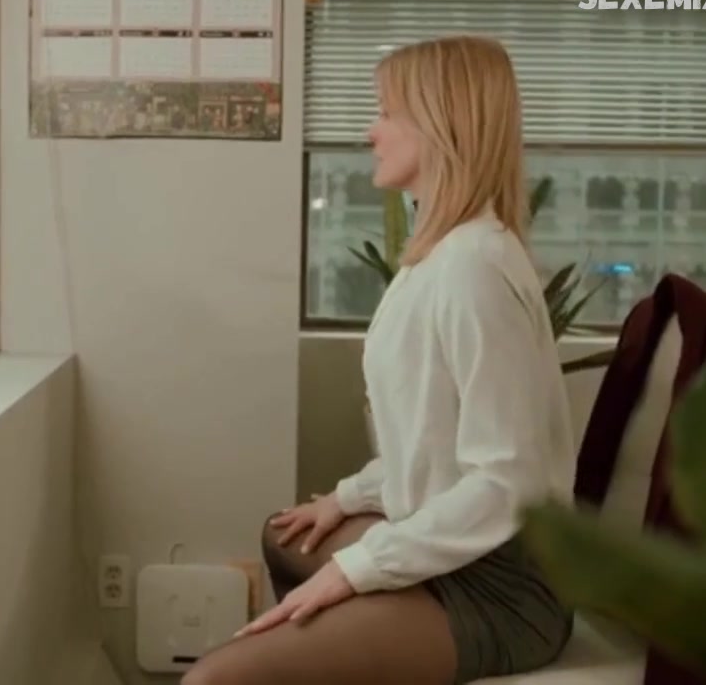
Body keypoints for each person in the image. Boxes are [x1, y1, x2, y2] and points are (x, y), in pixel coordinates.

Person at [181, 35, 578, 685]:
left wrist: (356, 570)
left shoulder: (474, 271)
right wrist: (348, 498)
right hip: (458, 551)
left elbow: (509, 482)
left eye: (388, 113)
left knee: (214, 681)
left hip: (502, 591)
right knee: (286, 536)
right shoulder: (438, 256)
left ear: (441, 126)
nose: (372, 131)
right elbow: (432, 442)